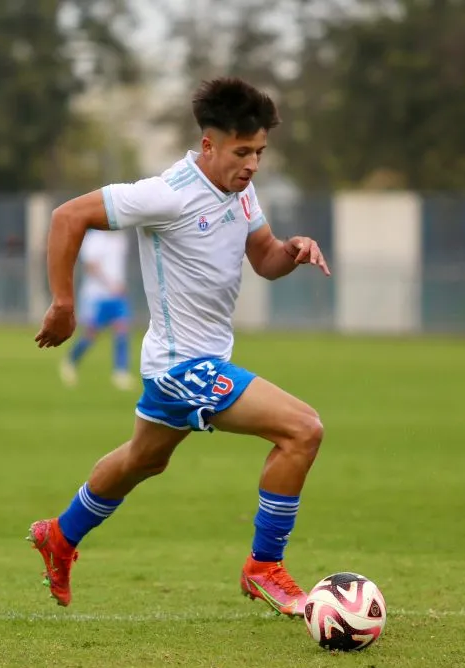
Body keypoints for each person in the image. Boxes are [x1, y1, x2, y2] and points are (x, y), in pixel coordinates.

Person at [28, 77, 331, 616]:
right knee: (303, 429)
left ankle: (60, 534)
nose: (253, 165)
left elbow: (264, 258)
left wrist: (292, 250)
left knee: (143, 460)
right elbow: (67, 216)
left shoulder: (241, 190)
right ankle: (264, 566)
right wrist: (64, 303)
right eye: (242, 152)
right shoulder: (167, 193)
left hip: (193, 362)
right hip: (182, 367)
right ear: (208, 145)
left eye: (259, 153)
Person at [59, 228, 133, 390]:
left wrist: (120, 285)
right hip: (97, 296)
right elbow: (91, 267)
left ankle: (120, 372)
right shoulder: (94, 239)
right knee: (90, 335)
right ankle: (71, 360)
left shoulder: (121, 238)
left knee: (122, 331)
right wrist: (110, 284)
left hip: (117, 297)